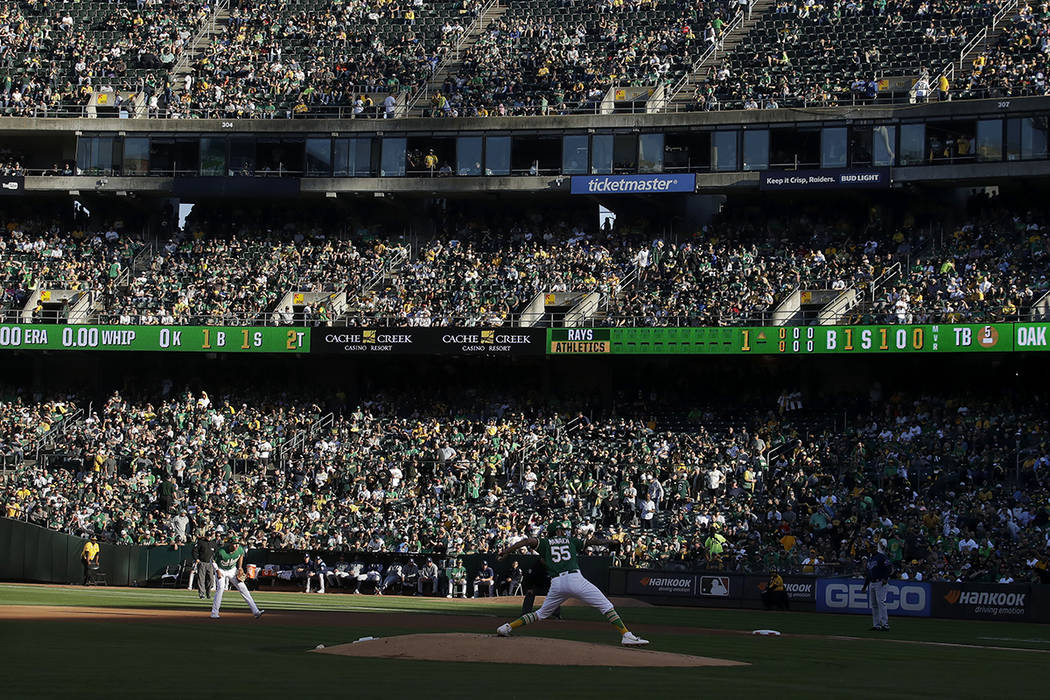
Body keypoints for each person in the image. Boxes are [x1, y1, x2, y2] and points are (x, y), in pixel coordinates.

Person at [496, 521, 649, 646]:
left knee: (540, 614)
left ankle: (507, 627)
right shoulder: (570, 540)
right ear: (557, 531)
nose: (563, 532)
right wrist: (609, 541)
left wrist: (506, 552)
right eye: (561, 530)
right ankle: (626, 635)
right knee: (606, 606)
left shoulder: (545, 543)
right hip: (574, 579)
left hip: (556, 583)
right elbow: (592, 541)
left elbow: (527, 541)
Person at [210, 536, 264, 619]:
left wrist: (240, 567)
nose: (236, 546)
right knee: (220, 588)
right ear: (230, 544)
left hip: (232, 570)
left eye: (237, 544)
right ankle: (214, 613)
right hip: (221, 569)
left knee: (244, 589)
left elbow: (241, 555)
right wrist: (217, 570)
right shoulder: (221, 551)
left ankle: (256, 611)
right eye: (235, 544)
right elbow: (212, 560)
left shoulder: (239, 549)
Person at [862, 538, 893, 631]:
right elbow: (869, 574)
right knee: (874, 604)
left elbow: (888, 567)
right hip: (872, 583)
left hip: (880, 582)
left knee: (881, 602)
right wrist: (865, 586)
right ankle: (876, 625)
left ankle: (885, 624)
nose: (872, 549)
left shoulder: (881, 556)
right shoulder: (871, 559)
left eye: (873, 547)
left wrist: (885, 578)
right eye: (871, 548)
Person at [191, 529, 217, 600]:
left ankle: (208, 593)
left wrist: (215, 559)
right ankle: (202, 594)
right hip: (202, 562)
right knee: (201, 579)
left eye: (210, 536)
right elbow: (194, 551)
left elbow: (216, 553)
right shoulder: (201, 542)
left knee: (211, 580)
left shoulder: (213, 543)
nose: (209, 537)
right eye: (207, 536)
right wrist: (196, 558)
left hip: (210, 563)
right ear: (205, 536)